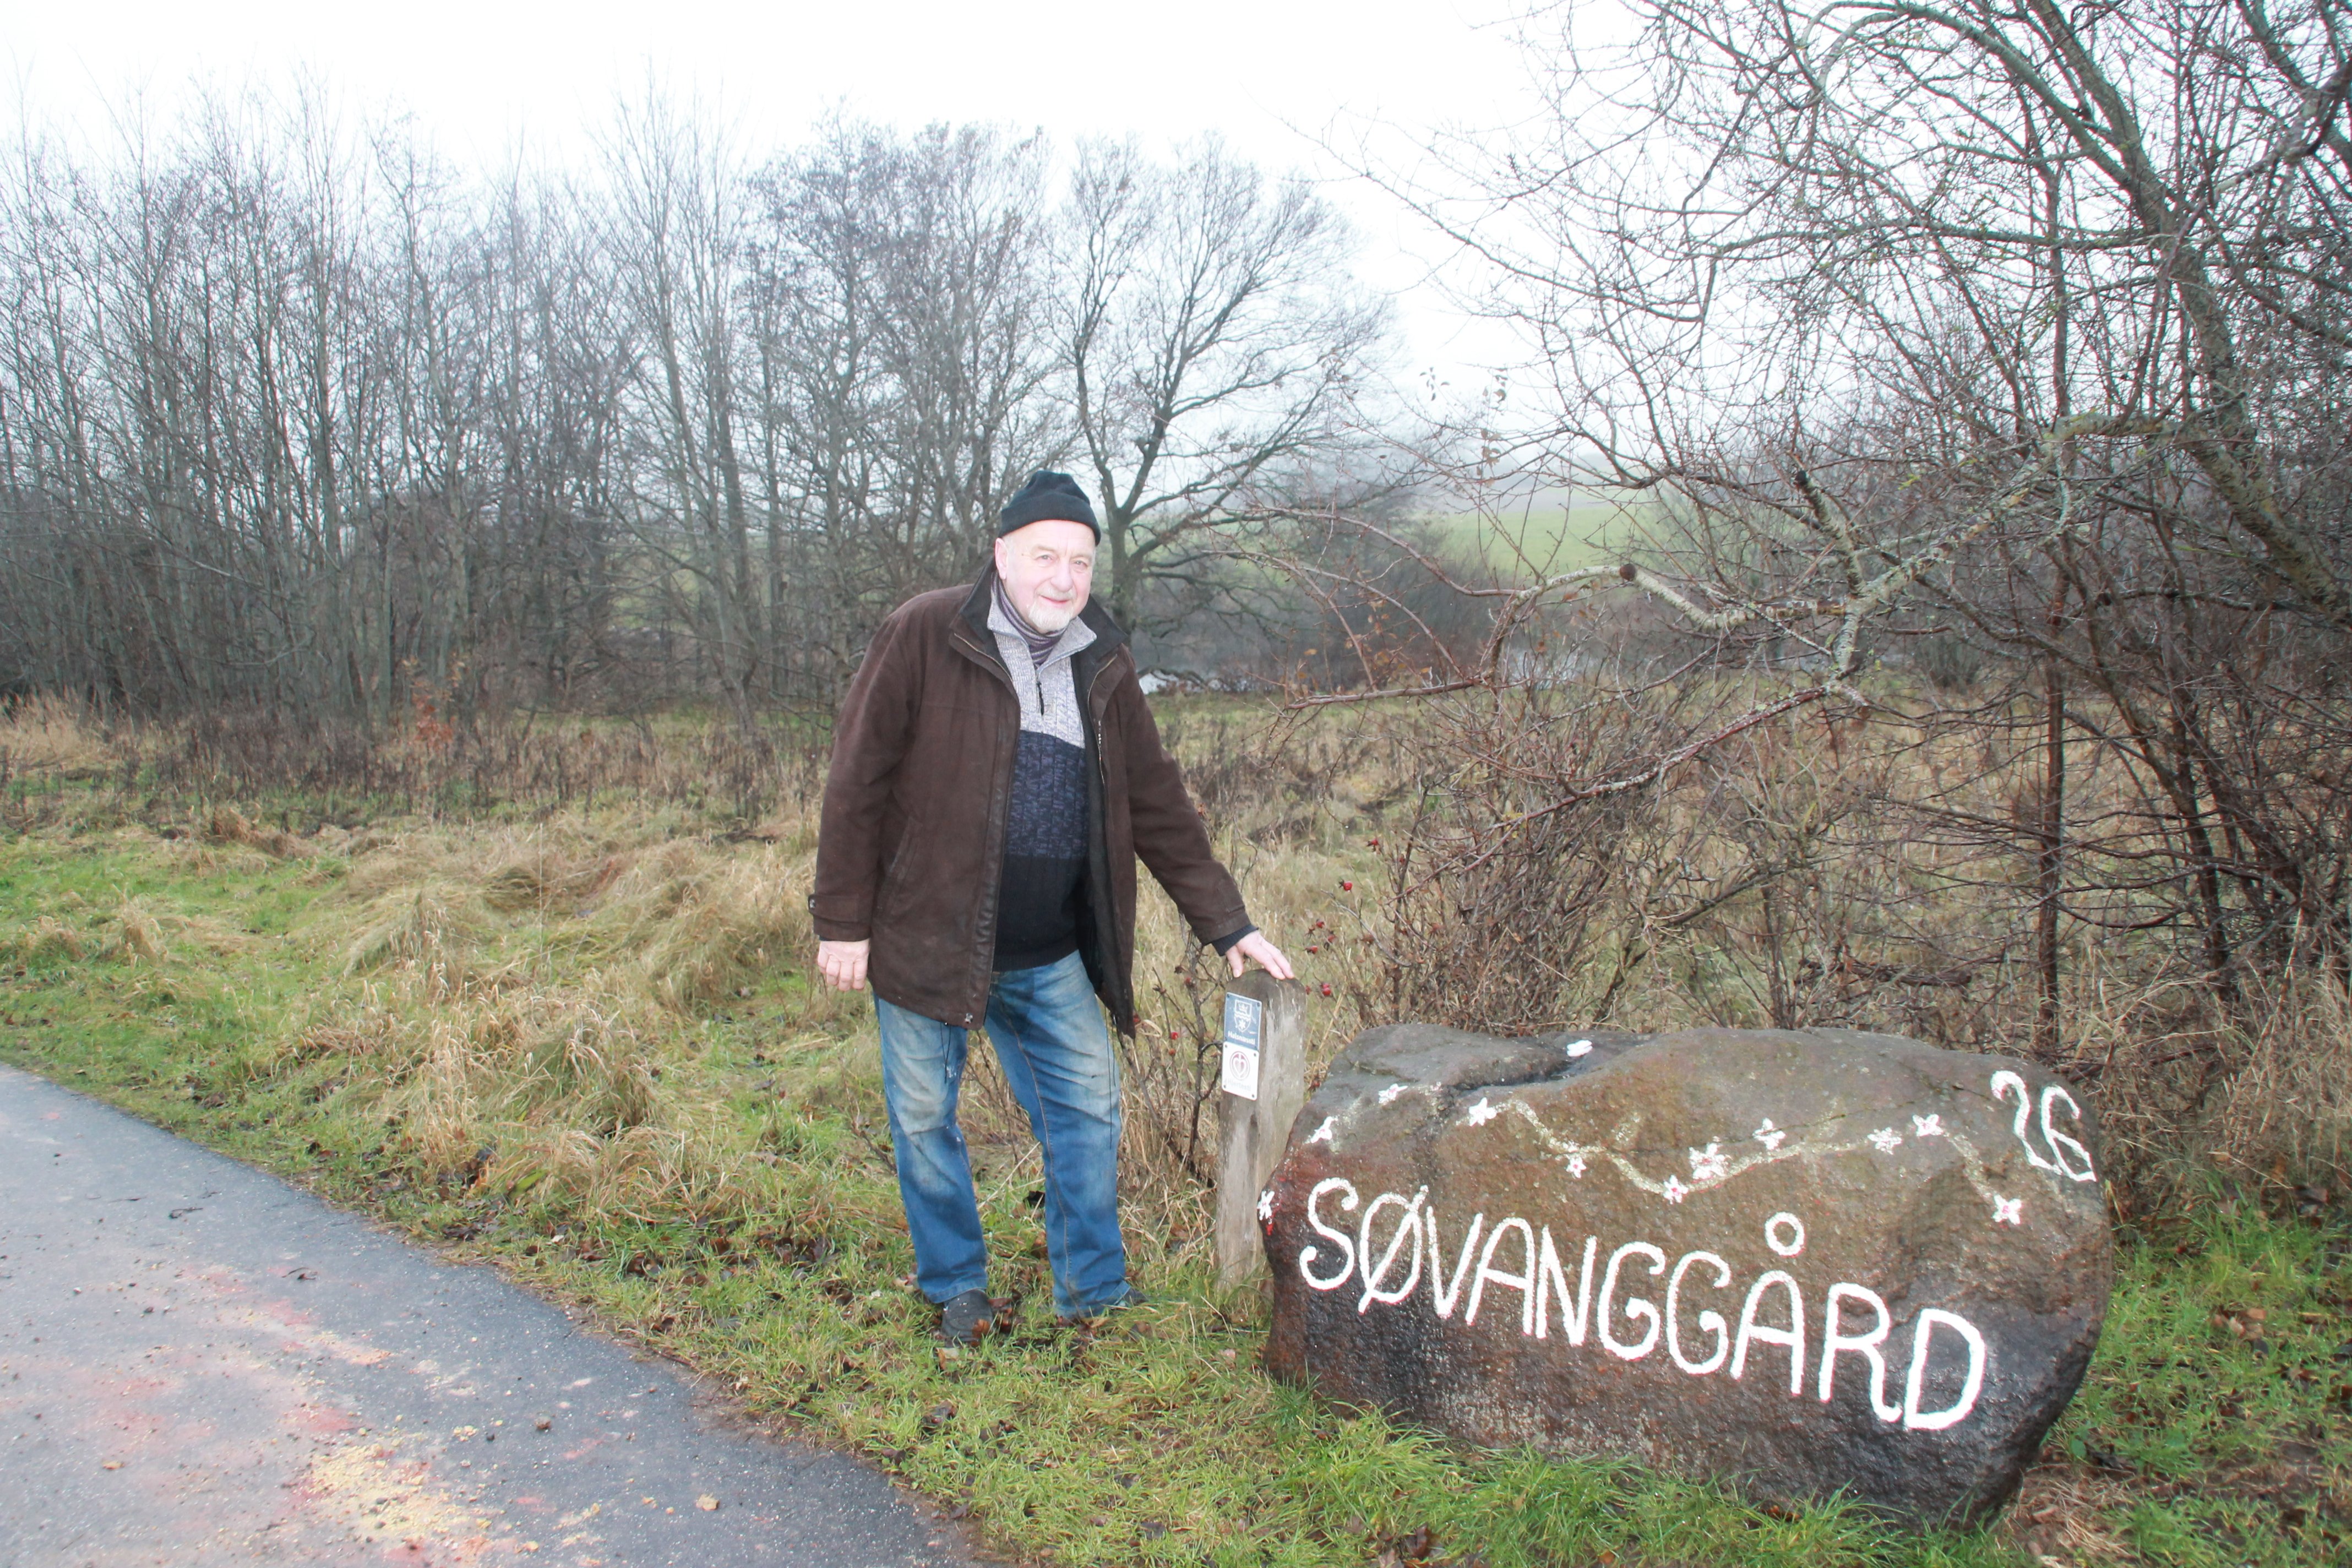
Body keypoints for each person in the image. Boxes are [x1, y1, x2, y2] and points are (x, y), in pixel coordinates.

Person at [810, 469, 1292, 1343]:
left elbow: (1156, 800)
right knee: (925, 1117)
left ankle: (1093, 1292)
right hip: (927, 937)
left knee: (1089, 1107)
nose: (1064, 579)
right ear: (1002, 555)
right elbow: (857, 779)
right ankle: (955, 1286)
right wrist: (842, 921)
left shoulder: (1101, 659)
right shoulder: (926, 632)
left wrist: (1230, 923)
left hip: (1048, 948)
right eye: (1045, 556)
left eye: (1080, 561)